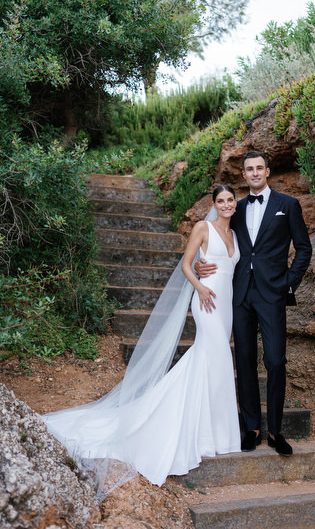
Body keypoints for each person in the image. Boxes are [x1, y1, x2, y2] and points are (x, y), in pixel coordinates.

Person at [43, 185, 241, 490]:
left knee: (213, 362)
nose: (226, 204)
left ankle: (219, 433)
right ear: (213, 204)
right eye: (221, 201)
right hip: (207, 301)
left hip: (225, 305)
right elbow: (187, 265)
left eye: (230, 200)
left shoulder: (234, 235)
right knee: (212, 356)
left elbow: (231, 269)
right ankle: (200, 434)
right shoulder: (204, 228)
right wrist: (200, 287)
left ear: (234, 203)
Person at [196, 151, 312, 456]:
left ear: (268, 171)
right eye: (250, 169)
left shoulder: (287, 205)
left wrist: (289, 282)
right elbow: (217, 243)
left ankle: (275, 431)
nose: (255, 173)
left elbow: (303, 249)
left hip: (273, 294)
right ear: (244, 175)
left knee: (275, 361)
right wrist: (200, 266)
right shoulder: (236, 207)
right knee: (244, 361)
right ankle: (252, 428)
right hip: (239, 295)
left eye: (260, 168)